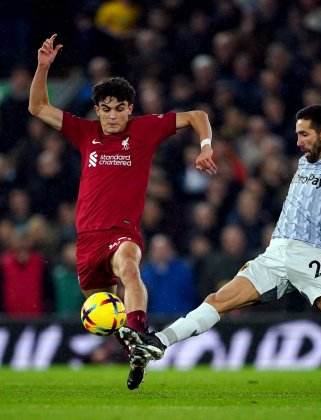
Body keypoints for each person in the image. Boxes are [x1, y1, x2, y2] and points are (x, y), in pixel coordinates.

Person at [127, 104, 321, 398]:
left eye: (304, 134)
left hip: (312, 256)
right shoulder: (304, 163)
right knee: (220, 299)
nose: (298, 141)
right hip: (276, 252)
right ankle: (158, 342)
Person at [28, 34, 217, 390]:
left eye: (120, 108)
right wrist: (42, 67)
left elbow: (197, 115)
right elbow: (38, 107)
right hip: (87, 241)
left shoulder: (144, 130)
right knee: (105, 312)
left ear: (130, 109)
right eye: (106, 108)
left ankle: (140, 330)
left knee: (129, 267)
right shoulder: (85, 133)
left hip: (122, 232)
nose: (113, 115)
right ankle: (135, 353)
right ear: (96, 109)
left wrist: (206, 147)